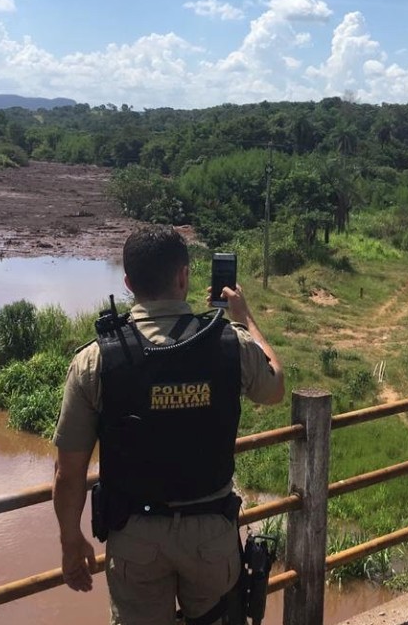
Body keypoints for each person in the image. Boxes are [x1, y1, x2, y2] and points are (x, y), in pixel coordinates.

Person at [52, 226, 285, 625]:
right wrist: (245, 321)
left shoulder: (95, 360)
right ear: (184, 276)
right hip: (212, 535)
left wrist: (71, 541)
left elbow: (68, 473)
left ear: (128, 283)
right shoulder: (231, 341)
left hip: (135, 538)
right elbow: (275, 386)